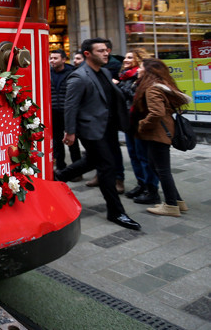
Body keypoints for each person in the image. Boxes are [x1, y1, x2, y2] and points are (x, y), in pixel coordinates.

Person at [57, 38, 139, 230]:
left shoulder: (104, 72)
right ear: (88, 54)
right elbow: (71, 106)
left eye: (106, 50)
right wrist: (70, 131)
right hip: (91, 129)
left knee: (91, 161)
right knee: (107, 166)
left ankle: (58, 178)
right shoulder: (79, 76)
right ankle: (116, 211)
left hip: (108, 127)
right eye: (100, 50)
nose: (106, 53)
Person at [133, 58, 191, 217]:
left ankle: (171, 205)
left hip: (158, 133)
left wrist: (142, 124)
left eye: (140, 67)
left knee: (162, 170)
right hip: (163, 131)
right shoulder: (161, 86)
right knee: (156, 166)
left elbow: (157, 112)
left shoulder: (152, 88)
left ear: (148, 71)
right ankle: (177, 201)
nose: (138, 70)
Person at [116, 48, 159, 204]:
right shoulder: (125, 76)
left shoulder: (142, 76)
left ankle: (151, 189)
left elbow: (138, 98)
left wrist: (118, 87)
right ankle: (141, 184)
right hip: (129, 122)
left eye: (130, 58)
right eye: (125, 57)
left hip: (140, 123)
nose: (125, 60)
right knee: (134, 155)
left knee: (144, 157)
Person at [49, 49, 80, 173]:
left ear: (63, 59)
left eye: (55, 58)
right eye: (51, 58)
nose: (52, 61)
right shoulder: (47, 73)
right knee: (57, 142)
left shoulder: (72, 73)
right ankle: (60, 167)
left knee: (72, 141)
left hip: (68, 112)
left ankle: (77, 170)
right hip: (54, 112)